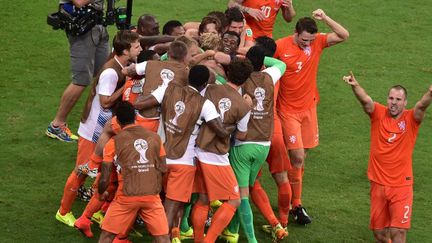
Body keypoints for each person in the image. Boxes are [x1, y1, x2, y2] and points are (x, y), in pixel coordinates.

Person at [135, 65, 234, 242]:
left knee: (153, 201)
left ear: (188, 77)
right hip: (184, 164)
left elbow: (140, 103)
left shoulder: (169, 89)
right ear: (204, 84)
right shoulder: (205, 104)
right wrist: (232, 126)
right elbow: (221, 131)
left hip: (161, 157)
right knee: (171, 209)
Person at [55, 30, 142, 228]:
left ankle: (94, 212)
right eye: (136, 47)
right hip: (92, 129)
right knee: (81, 172)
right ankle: (63, 212)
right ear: (126, 50)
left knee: (102, 172)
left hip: (101, 128)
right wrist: (127, 85)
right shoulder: (112, 72)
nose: (140, 49)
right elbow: (104, 102)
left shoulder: (121, 65)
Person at [274, 9, 349, 224]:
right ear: (295, 33)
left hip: (309, 109)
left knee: (300, 158)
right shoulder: (281, 46)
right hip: (287, 111)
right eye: (304, 39)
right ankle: (295, 203)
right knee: (297, 157)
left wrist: (325, 18)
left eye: (311, 40)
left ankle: (291, 201)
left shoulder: (317, 42)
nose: (308, 44)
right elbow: (265, 62)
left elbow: (344, 35)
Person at [343, 72, 432, 243]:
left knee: (398, 231)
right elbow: (366, 101)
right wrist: (355, 85)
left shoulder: (411, 119)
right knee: (380, 234)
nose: (393, 103)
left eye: (398, 100)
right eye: (391, 98)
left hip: (401, 186)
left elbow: (421, 106)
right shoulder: (378, 113)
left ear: (405, 103)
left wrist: (430, 93)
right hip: (378, 184)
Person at [223, 46, 287, 243]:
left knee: (241, 195)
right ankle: (232, 231)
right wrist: (261, 59)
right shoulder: (269, 77)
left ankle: (251, 240)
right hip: (264, 145)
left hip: (243, 144)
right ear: (262, 64)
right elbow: (281, 63)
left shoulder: (240, 81)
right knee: (247, 188)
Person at [192, 59, 253, 243]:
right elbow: (241, 135)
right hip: (216, 156)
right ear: (245, 80)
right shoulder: (243, 106)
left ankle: (198, 239)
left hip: (196, 149)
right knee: (234, 199)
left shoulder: (209, 89)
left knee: (203, 198)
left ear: (227, 73)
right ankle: (208, 241)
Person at [98, 101, 170, 243]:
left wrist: (101, 193)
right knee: (163, 238)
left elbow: (105, 177)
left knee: (107, 236)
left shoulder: (114, 142)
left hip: (126, 197)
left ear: (117, 121)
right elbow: (163, 169)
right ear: (135, 117)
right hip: (152, 197)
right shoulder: (155, 138)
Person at [46, 0, 110, 142]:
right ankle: (56, 125)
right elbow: (79, 2)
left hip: (98, 24)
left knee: (105, 73)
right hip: (82, 30)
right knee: (81, 80)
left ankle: (101, 122)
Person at [228, 0, 296, 39]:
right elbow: (231, 5)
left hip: (266, 38)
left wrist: (289, 7)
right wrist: (248, 10)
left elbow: (289, 18)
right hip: (246, 35)